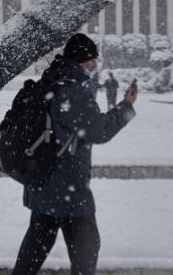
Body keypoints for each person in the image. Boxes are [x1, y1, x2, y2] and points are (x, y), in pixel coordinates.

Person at [11, 33, 138, 275]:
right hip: (67, 187)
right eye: (93, 60)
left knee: (35, 250)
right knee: (87, 249)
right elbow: (99, 131)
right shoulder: (73, 91)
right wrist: (126, 107)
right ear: (82, 60)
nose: (95, 65)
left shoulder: (50, 81)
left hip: (42, 181)